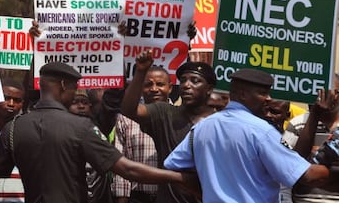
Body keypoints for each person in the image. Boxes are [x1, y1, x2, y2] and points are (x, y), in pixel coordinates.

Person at [0, 62, 195, 203]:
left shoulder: (15, 128)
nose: (75, 93)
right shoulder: (80, 127)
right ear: (62, 86)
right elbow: (127, 169)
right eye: (74, 87)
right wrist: (177, 178)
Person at [164, 68, 332, 202]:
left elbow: (172, 166)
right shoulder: (261, 132)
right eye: (262, 93)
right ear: (243, 94)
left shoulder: (203, 127)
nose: (268, 98)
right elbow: (307, 176)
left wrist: (207, 190)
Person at [121, 50, 216, 203]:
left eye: (195, 81)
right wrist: (140, 71)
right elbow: (129, 110)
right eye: (183, 80)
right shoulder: (165, 113)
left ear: (209, 89)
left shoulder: (221, 122)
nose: (186, 85)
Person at [113, 65, 172, 203]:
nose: (154, 89)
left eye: (160, 84)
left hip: (171, 196)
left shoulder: (179, 117)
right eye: (148, 84)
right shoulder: (125, 119)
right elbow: (120, 161)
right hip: (138, 197)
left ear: (170, 88)